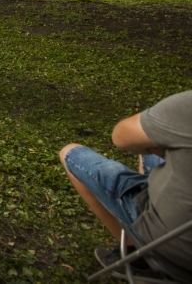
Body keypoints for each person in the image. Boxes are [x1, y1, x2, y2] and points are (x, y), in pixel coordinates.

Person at [59, 91, 192, 281]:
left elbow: (122, 137)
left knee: (70, 154)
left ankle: (136, 256)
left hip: (173, 248)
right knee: (152, 148)